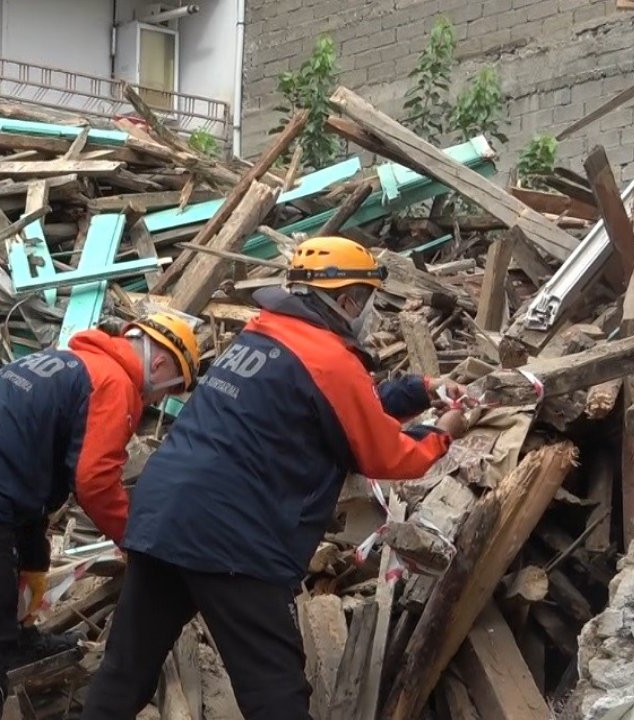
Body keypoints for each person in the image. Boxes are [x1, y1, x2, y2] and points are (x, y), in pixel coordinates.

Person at [80, 236, 473, 720]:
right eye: (367, 298)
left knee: (124, 674)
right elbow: (388, 456)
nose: (369, 310)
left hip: (162, 517)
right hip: (234, 537)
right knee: (276, 695)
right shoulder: (328, 360)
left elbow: (341, 409)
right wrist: (444, 433)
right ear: (345, 299)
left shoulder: (262, 337)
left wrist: (421, 389)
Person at [0, 312, 201, 720]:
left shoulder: (74, 361)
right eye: (169, 391)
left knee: (33, 545)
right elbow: (94, 480)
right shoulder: (114, 384)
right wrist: (133, 539)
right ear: (161, 363)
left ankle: (23, 636)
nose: (159, 401)